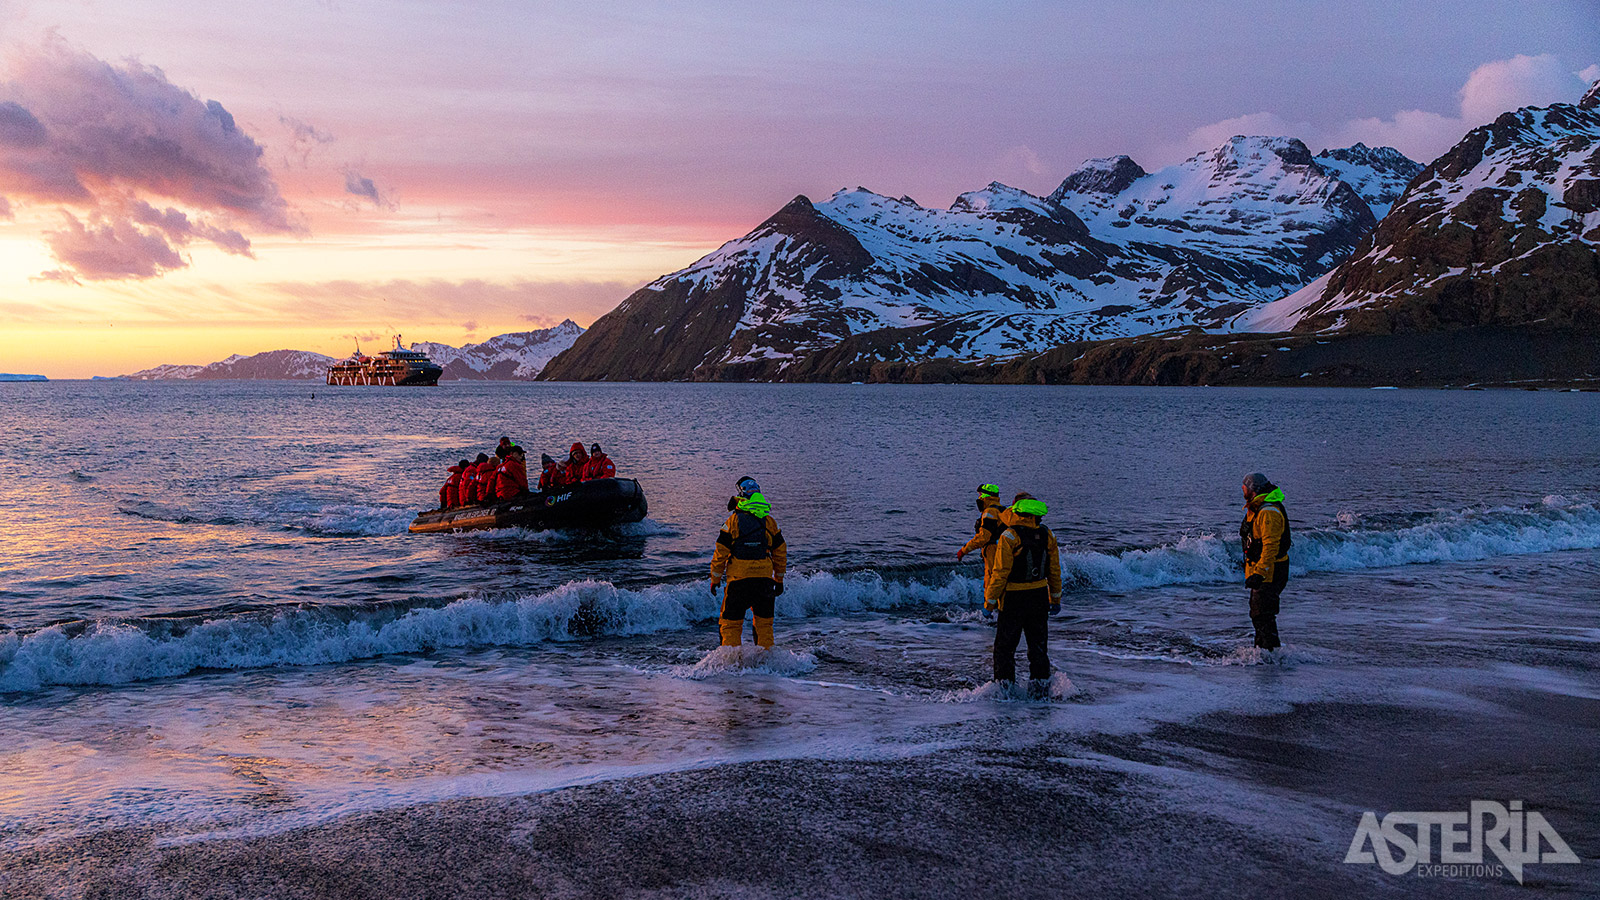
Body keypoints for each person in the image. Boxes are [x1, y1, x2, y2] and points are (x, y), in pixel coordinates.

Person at [984, 497, 1063, 688]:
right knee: (1038, 648)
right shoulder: (1047, 535)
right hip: (1039, 597)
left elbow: (1000, 573)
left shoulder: (1009, 536)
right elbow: (1054, 570)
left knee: (1004, 648)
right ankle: (1041, 690)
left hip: (1013, 599)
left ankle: (1005, 691)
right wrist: (1055, 598)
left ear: (1017, 513)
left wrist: (990, 602)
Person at [710, 477, 787, 649]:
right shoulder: (770, 522)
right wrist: (779, 580)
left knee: (730, 624)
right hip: (765, 581)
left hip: (738, 581)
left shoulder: (732, 522)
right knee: (764, 625)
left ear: (741, 494)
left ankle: (731, 666)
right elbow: (781, 554)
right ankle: (766, 664)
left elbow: (720, 555)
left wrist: (715, 580)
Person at [1240, 472, 1291, 650]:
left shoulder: (1268, 512)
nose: (1242, 489)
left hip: (1270, 572)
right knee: (1259, 615)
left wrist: (1260, 573)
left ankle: (1271, 655)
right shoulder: (1257, 508)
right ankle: (1263, 653)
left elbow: (1270, 547)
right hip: (1264, 570)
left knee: (1263, 615)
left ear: (1252, 490)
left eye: (1244, 487)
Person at [957, 484, 1006, 607]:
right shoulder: (1004, 510)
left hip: (993, 552)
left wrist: (964, 550)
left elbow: (983, 537)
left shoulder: (989, 512)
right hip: (1003, 551)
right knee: (1002, 582)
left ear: (985, 496)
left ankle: (991, 612)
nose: (978, 498)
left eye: (980, 495)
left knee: (992, 582)